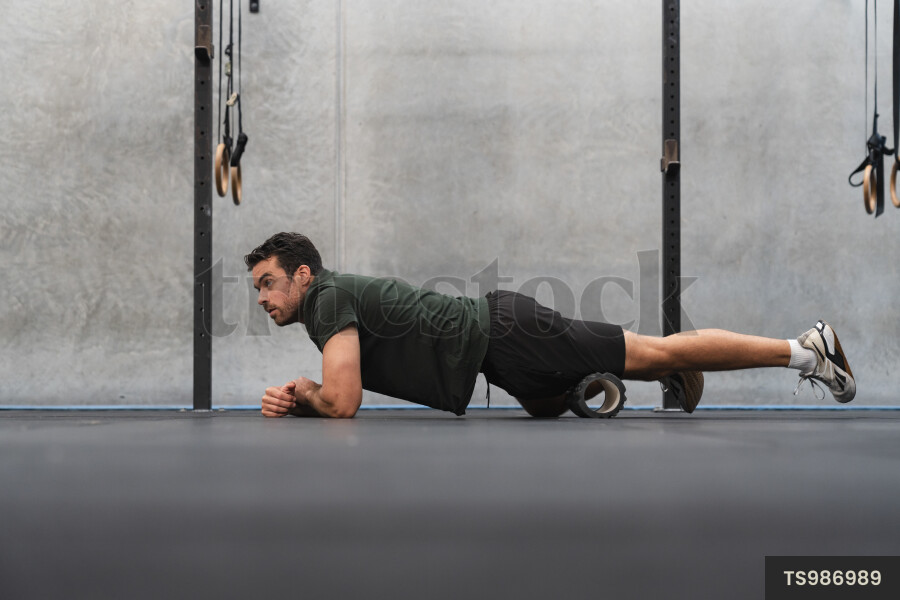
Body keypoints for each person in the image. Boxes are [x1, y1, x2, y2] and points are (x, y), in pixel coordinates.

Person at [246, 232, 855, 419]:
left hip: (508, 332)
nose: (263, 298)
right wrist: (310, 398)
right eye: (255, 291)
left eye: (268, 283)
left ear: (302, 274)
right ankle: (629, 376)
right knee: (545, 408)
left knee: (657, 349)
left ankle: (805, 350)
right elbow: (339, 395)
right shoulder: (326, 302)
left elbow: (343, 400)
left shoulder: (325, 300)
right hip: (500, 355)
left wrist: (304, 393)